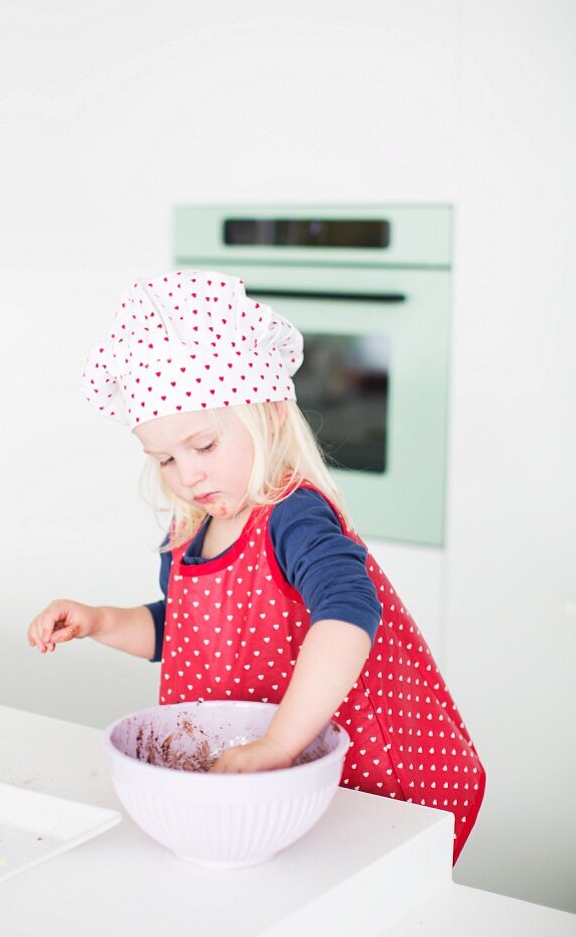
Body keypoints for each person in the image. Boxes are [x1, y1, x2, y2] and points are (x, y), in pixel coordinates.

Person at [27, 271, 485, 863]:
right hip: (270, 788)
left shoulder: (293, 515)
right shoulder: (190, 530)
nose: (186, 475)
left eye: (204, 446)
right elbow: (185, 633)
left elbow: (349, 613)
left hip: (361, 781)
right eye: (165, 458)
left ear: (267, 417)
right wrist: (99, 620)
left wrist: (278, 743)